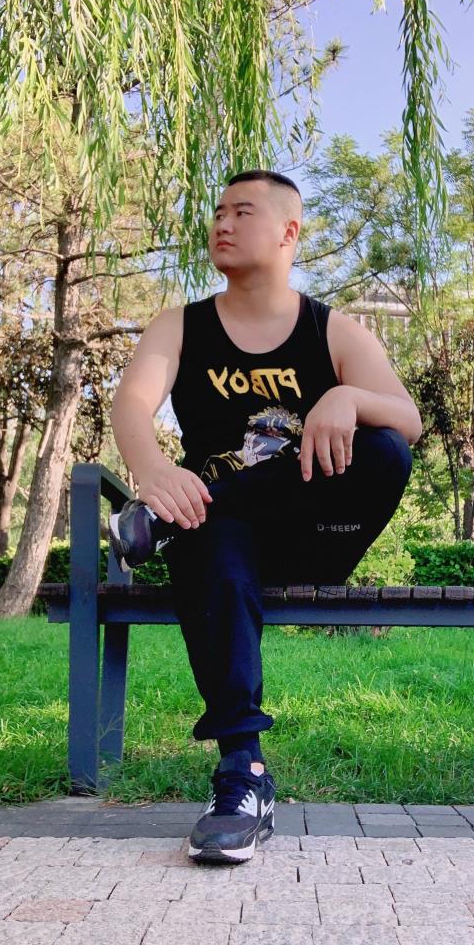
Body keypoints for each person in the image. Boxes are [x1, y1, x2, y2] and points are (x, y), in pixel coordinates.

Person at [110, 169, 421, 864]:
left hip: (314, 533)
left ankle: (169, 520)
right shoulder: (180, 325)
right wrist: (154, 472)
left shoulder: (330, 329)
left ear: (288, 232)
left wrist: (348, 398)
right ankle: (243, 776)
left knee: (384, 450)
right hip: (218, 540)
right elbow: (131, 404)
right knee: (207, 534)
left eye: (242, 211)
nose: (221, 223)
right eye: (217, 211)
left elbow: (410, 419)